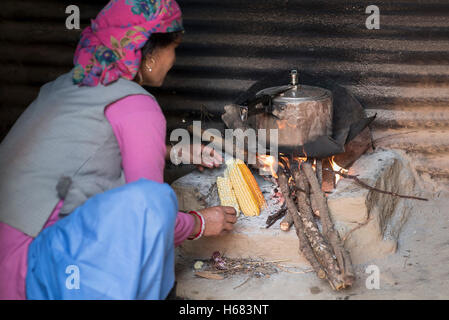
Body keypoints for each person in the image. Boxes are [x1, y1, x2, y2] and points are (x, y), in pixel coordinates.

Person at [0, 0, 236, 300]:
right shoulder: (139, 105)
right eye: (173, 48)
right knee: (156, 200)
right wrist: (200, 223)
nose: (174, 59)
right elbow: (150, 217)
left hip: (7, 256)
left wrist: (175, 152)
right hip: (35, 269)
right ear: (148, 54)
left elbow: (87, 152)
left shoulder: (64, 86)